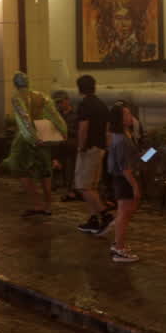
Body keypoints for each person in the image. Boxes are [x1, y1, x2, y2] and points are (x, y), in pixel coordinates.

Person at [3, 72, 67, 217]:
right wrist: (63, 131)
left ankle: (36, 203)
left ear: (15, 84)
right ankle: (48, 205)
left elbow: (24, 118)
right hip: (43, 134)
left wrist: (32, 136)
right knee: (45, 170)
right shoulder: (42, 96)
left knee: (20, 169)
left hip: (26, 138)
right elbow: (55, 115)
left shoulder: (17, 97)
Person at [73, 75, 112, 235]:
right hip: (100, 148)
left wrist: (81, 147)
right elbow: (107, 128)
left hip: (89, 148)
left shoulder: (85, 105)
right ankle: (93, 219)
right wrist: (106, 146)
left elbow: (83, 128)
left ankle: (105, 214)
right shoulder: (101, 104)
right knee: (92, 185)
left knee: (83, 186)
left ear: (79, 88)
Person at [106, 102, 143, 263]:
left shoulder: (126, 134)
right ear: (119, 119)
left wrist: (151, 153)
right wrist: (135, 186)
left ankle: (118, 244)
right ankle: (119, 249)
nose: (130, 117)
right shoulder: (121, 139)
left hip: (124, 177)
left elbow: (135, 159)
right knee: (124, 213)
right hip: (124, 179)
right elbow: (125, 168)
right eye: (126, 114)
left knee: (125, 213)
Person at [53, 90, 81, 202]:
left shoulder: (76, 115)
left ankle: (71, 190)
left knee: (70, 167)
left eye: (61, 102)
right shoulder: (57, 115)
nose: (59, 104)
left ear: (67, 101)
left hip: (70, 145)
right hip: (58, 145)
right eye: (57, 103)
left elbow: (78, 132)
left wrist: (65, 129)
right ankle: (59, 185)